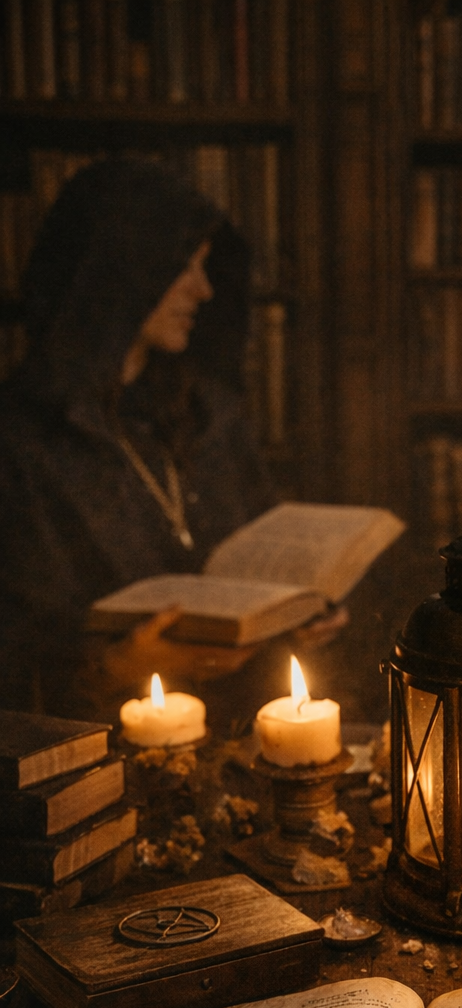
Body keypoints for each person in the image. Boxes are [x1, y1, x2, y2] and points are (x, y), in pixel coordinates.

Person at [0, 156, 277, 720]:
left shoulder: (205, 415)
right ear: (122, 273)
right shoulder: (20, 437)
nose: (204, 290)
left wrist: (297, 616)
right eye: (184, 267)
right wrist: (115, 668)